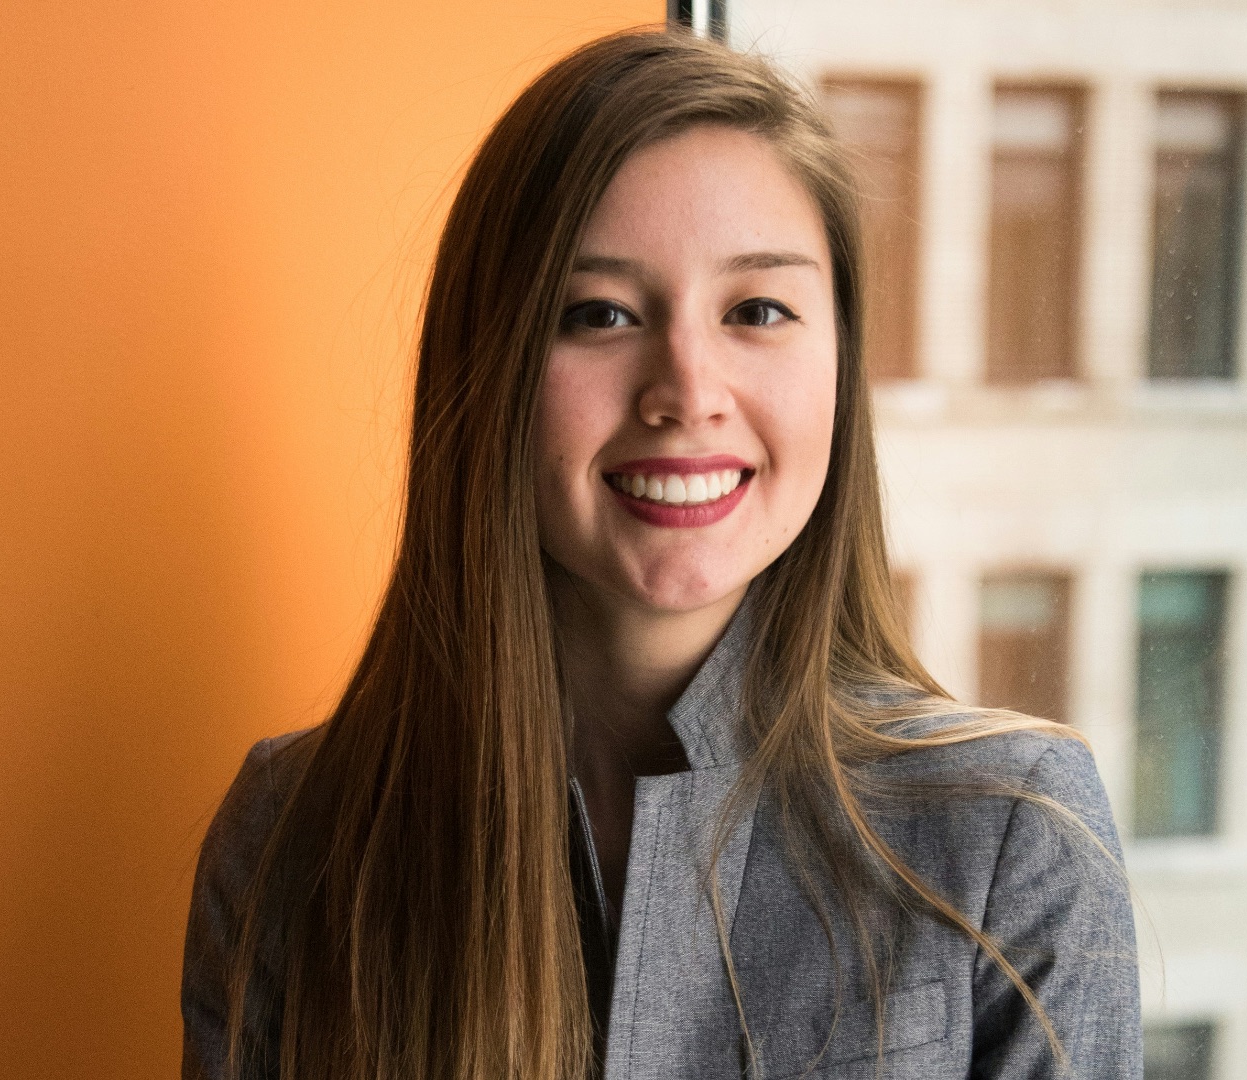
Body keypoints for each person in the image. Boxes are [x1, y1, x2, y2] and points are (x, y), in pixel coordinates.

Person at [183, 27, 1139, 1080]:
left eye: (757, 311)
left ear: (838, 363)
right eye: (600, 314)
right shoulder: (293, 841)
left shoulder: (1013, 831)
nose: (686, 389)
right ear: (489, 367)